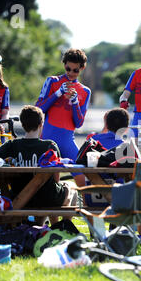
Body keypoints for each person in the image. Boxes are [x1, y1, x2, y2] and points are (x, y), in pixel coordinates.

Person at [0, 105, 77, 225]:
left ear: (22, 124)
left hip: (19, 198)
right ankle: (62, 227)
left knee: (47, 192)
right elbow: (55, 177)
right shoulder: (49, 145)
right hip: (47, 198)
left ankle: (41, 227)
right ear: (41, 124)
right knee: (71, 188)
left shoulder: (13, 145)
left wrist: (4, 164)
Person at [35, 48, 91, 187]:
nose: (71, 73)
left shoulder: (85, 91)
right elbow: (39, 109)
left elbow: (78, 123)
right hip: (47, 138)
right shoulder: (52, 81)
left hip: (67, 139)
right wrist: (58, 93)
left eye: (75, 70)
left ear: (82, 68)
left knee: (81, 174)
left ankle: (86, 207)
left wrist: (75, 102)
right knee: (45, 179)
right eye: (68, 69)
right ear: (64, 64)